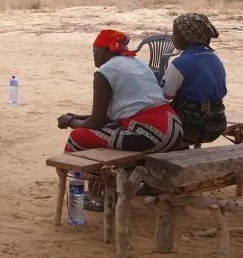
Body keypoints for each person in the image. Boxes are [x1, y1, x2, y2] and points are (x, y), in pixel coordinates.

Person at [58, 29, 184, 209]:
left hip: (151, 133)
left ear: (106, 50)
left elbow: (96, 123)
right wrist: (78, 117)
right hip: (173, 128)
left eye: (95, 50)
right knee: (107, 135)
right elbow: (113, 114)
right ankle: (104, 187)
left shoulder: (105, 72)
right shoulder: (137, 63)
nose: (93, 55)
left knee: (78, 137)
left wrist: (70, 122)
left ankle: (97, 193)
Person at [161, 13, 228, 147]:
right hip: (218, 123)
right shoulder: (215, 59)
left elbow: (165, 95)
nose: (173, 38)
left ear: (187, 37)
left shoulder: (180, 63)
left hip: (190, 127)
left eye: (175, 34)